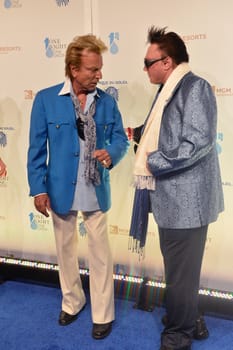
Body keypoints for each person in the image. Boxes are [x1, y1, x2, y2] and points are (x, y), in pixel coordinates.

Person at [27, 34, 128, 339]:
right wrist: (38, 188)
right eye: (92, 70)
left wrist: (112, 152)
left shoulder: (108, 101)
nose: (99, 75)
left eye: (99, 69)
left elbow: (121, 139)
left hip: (96, 188)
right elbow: (36, 149)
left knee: (100, 255)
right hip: (60, 190)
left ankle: (103, 313)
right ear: (73, 69)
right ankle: (72, 302)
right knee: (65, 252)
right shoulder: (45, 100)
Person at [129, 27, 224, 350]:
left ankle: (178, 335)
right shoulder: (169, 89)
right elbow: (168, 132)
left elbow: (196, 143)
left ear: (166, 61)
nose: (145, 68)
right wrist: (140, 135)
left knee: (181, 275)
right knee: (180, 272)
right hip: (171, 201)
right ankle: (190, 319)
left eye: (148, 61)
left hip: (187, 203)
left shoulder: (194, 88)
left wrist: (153, 161)